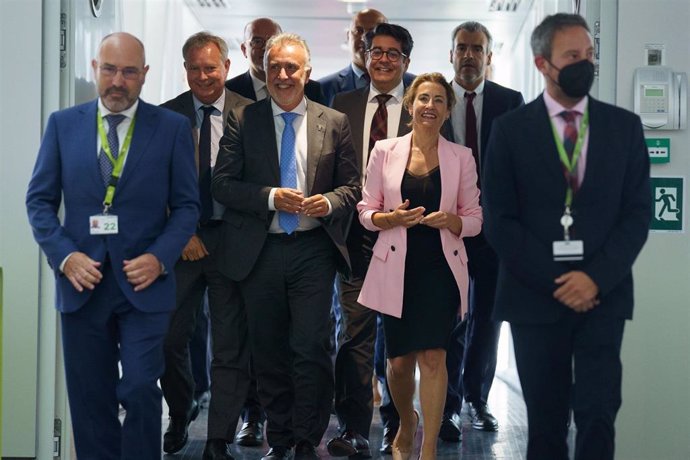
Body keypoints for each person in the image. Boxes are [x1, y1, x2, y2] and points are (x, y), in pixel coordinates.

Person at [482, 13, 651, 460]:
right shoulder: (511, 130)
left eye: (590, 55)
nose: (585, 64)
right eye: (572, 56)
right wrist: (558, 281)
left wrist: (593, 279)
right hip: (534, 299)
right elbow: (499, 219)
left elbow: (637, 215)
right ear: (543, 64)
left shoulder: (624, 128)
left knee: (598, 414)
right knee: (546, 422)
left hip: (603, 296)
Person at [25, 32, 199, 460]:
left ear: (144, 76)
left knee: (140, 387)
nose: (117, 81)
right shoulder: (62, 125)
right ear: (94, 69)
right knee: (90, 398)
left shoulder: (172, 128)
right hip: (82, 285)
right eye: (109, 69)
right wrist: (65, 257)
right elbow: (40, 202)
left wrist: (160, 258)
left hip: (143, 286)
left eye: (128, 72)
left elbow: (186, 208)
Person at [212, 33, 360, 460]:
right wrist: (271, 197)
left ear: (307, 73)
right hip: (260, 251)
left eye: (291, 67)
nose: (282, 75)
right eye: (274, 66)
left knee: (311, 346)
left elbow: (352, 187)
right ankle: (278, 439)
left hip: (313, 250)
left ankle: (305, 439)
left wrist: (330, 201)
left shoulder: (333, 121)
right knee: (269, 349)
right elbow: (222, 184)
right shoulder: (245, 118)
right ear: (264, 68)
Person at [357, 72, 482, 460]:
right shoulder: (384, 150)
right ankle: (406, 423)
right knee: (397, 363)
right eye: (423, 98)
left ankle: (426, 448)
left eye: (439, 100)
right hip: (397, 268)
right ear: (410, 106)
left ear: (448, 110)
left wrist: (453, 222)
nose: (430, 106)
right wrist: (389, 218)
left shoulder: (461, 157)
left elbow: (476, 219)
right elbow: (365, 211)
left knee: (434, 357)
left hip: (441, 269)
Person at [160, 31, 253, 460]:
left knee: (229, 345)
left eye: (210, 67)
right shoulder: (163, 118)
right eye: (194, 68)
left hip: (233, 244)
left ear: (227, 68)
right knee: (169, 338)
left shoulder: (251, 115)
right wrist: (182, 234)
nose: (203, 75)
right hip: (182, 244)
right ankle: (181, 410)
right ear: (185, 70)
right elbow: (151, 189)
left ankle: (219, 437)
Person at [327, 22, 414, 458]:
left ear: (406, 62)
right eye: (375, 51)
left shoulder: (423, 102)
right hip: (353, 239)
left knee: (399, 341)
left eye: (392, 53)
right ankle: (355, 429)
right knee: (353, 339)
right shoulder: (343, 104)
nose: (382, 59)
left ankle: (397, 427)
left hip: (407, 239)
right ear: (365, 55)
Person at [440, 20, 524, 438]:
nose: (469, 55)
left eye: (477, 48)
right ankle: (448, 405)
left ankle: (477, 398)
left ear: (489, 57)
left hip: (493, 233)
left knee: (489, 317)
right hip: (446, 228)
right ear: (451, 54)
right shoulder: (434, 98)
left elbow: (522, 168)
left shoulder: (512, 102)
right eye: (462, 48)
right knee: (452, 315)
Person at [319, 8, 414, 106]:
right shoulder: (322, 88)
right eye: (358, 31)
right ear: (348, 36)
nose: (364, 38)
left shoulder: (417, 86)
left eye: (372, 32)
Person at [225, 17, 325, 105]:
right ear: (244, 50)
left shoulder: (311, 89)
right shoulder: (228, 90)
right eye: (257, 41)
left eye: (272, 41)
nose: (265, 47)